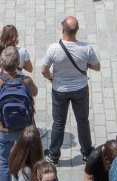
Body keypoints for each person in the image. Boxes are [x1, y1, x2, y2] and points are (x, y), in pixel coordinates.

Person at [41, 16, 100, 163]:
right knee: (82, 121)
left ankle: (54, 156)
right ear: (77, 30)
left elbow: (43, 69)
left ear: (63, 30)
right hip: (80, 89)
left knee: (58, 122)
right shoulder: (86, 48)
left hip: (59, 90)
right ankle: (87, 152)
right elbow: (97, 67)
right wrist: (86, 65)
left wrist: (50, 78)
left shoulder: (54, 48)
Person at [0, 48, 38, 181]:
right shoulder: (26, 81)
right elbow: (35, 93)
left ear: (1, 64)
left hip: (3, 128)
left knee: (4, 163)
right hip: (24, 130)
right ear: (18, 64)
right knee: (24, 162)